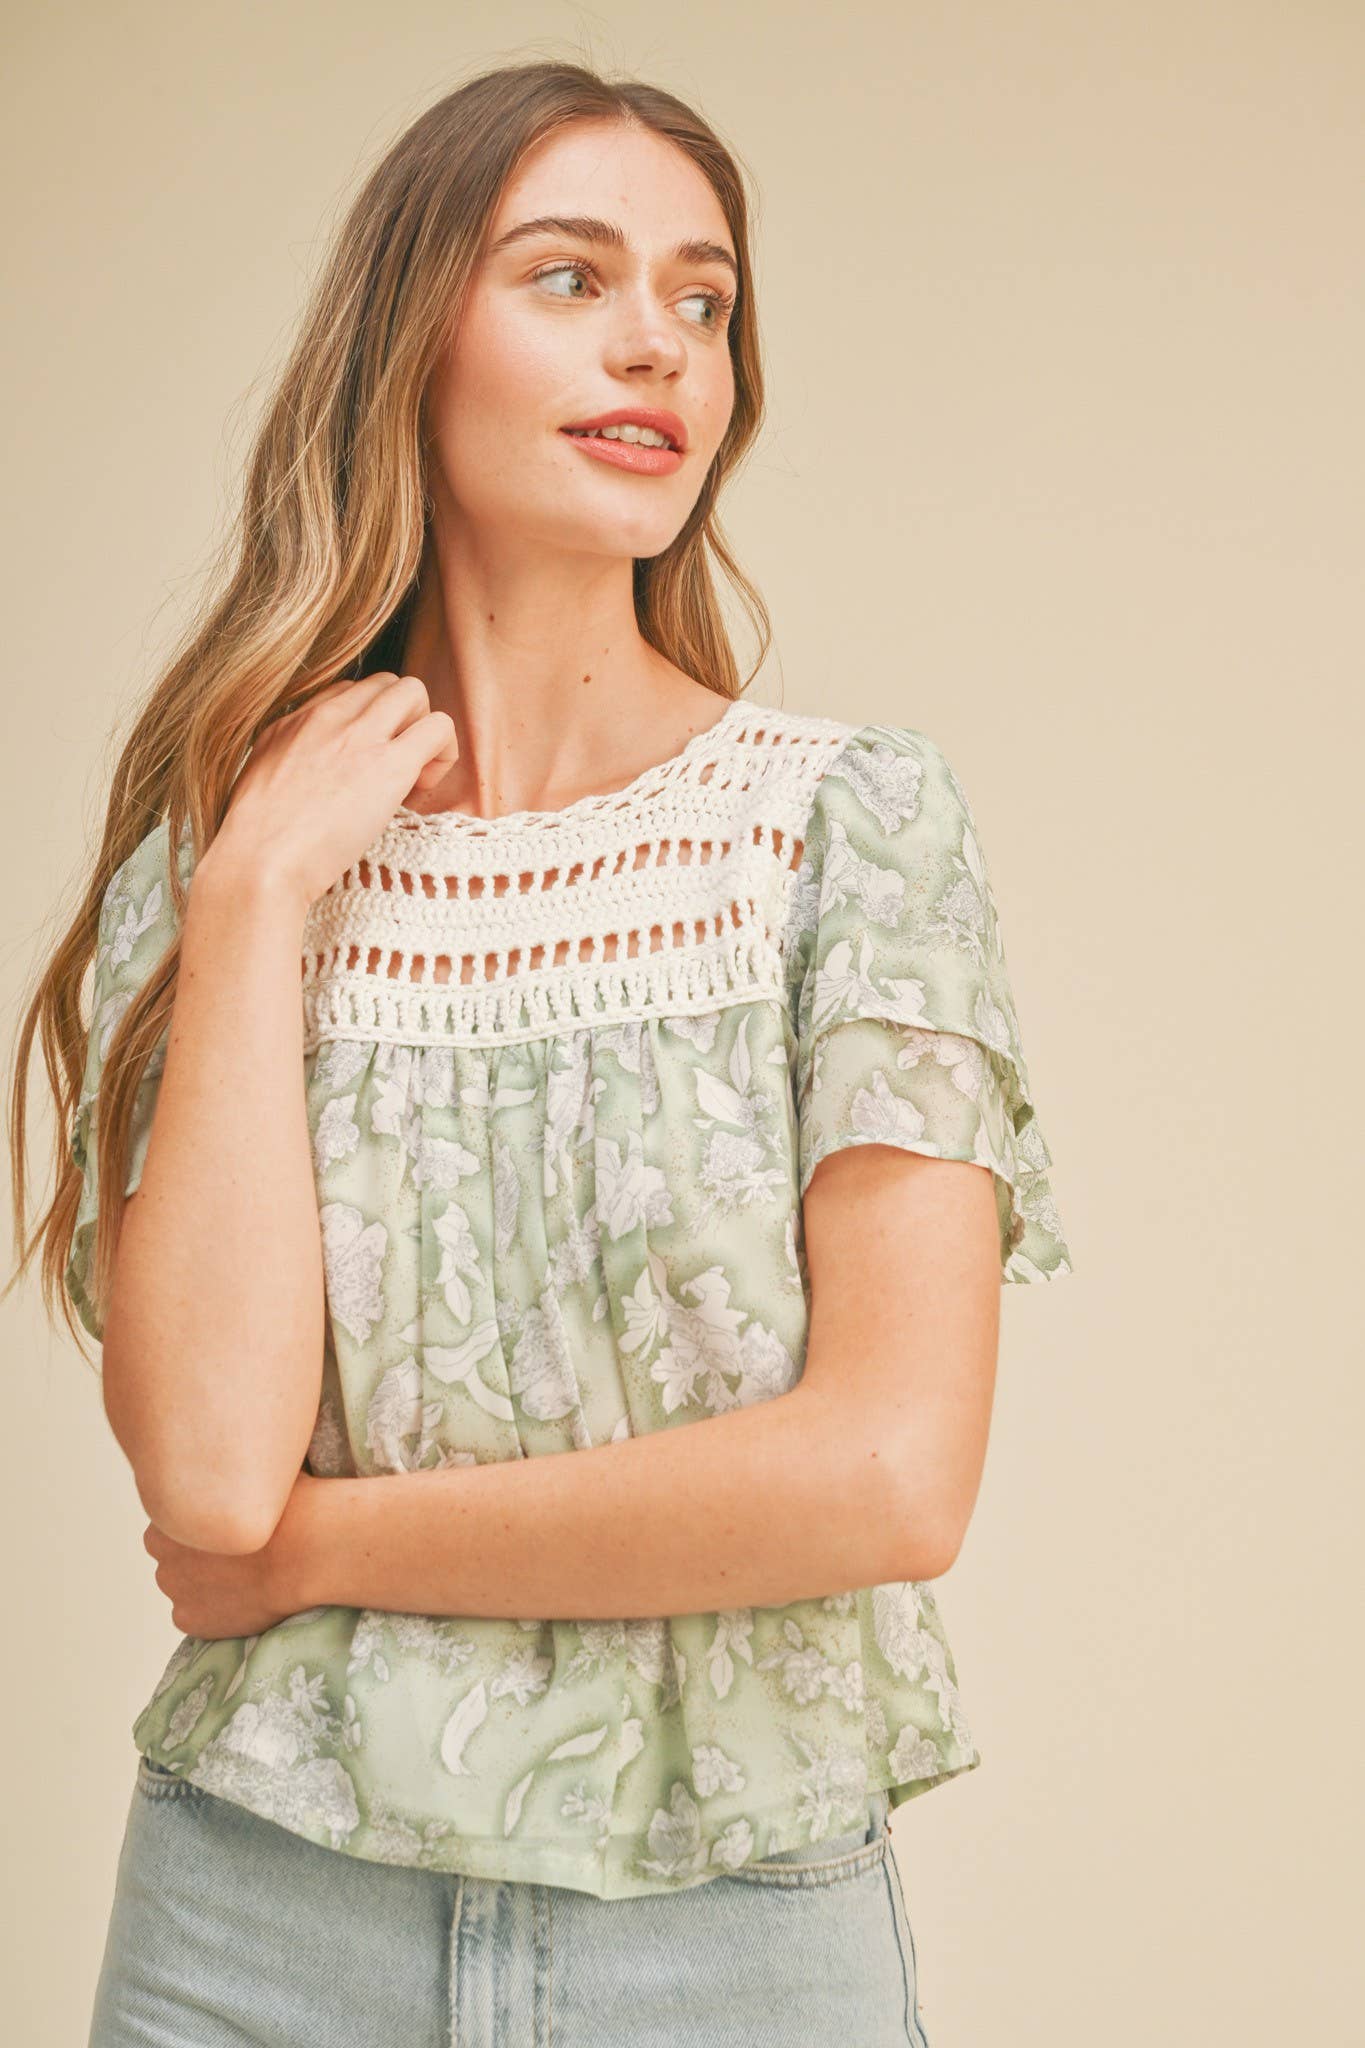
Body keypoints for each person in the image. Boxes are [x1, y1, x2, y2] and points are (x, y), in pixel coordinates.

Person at [9, 56, 1073, 2048]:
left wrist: (321, 1551)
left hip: (730, 1943)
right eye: (570, 276)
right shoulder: (237, 849)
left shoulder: (844, 827)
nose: (657, 344)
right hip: (256, 1920)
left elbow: (886, 1473)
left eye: (702, 298)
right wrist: (254, 902)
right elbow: (209, 1465)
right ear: (410, 338)